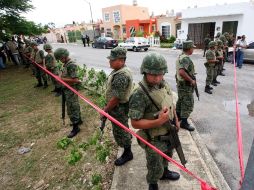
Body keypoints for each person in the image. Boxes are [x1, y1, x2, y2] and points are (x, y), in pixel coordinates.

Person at [129, 53, 180, 190]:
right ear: (145, 72)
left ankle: (165, 172)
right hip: (153, 139)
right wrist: (158, 122)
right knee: (154, 165)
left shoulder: (164, 84)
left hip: (169, 133)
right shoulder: (139, 93)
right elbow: (135, 123)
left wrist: (176, 120)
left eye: (160, 74)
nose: (157, 78)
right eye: (153, 74)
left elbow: (171, 104)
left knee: (168, 155)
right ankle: (153, 183)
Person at [102, 47, 133, 166]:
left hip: (118, 108)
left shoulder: (121, 75)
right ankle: (127, 138)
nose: (110, 62)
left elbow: (116, 98)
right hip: (118, 107)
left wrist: (105, 110)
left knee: (120, 130)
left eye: (112, 60)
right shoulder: (119, 70)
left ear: (121, 60)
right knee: (123, 126)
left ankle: (127, 153)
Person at [54, 48, 83, 138]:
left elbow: (75, 80)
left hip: (71, 90)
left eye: (60, 59)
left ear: (64, 57)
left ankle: (76, 127)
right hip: (67, 89)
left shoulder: (71, 65)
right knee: (75, 105)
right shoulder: (66, 64)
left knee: (72, 108)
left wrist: (61, 79)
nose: (60, 61)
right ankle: (79, 120)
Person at [175, 40, 196, 131]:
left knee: (180, 102)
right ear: (189, 48)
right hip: (185, 86)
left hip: (181, 85)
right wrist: (191, 80)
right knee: (188, 104)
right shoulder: (185, 58)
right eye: (192, 48)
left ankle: (177, 118)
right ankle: (184, 122)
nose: (193, 49)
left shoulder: (181, 56)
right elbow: (181, 72)